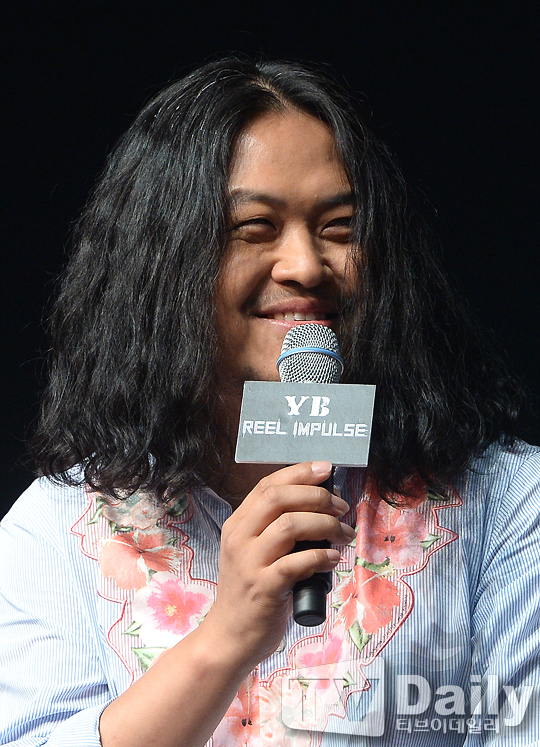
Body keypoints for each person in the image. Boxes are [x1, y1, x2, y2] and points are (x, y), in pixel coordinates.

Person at [1, 57, 539, 747]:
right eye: (255, 227)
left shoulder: (506, 503)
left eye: (340, 227)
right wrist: (225, 638)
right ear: (162, 262)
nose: (306, 266)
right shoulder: (56, 530)